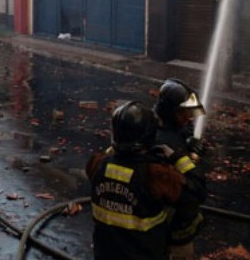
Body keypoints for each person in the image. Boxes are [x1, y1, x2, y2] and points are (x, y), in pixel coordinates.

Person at [85, 101, 204, 260]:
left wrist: (118, 149)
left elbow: (111, 158)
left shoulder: (97, 164)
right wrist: (178, 158)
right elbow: (197, 193)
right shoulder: (156, 175)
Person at [153, 79, 208, 260]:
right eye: (183, 113)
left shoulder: (170, 128)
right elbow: (195, 191)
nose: (188, 117)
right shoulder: (163, 143)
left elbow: (183, 131)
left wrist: (191, 143)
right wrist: (191, 158)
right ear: (170, 113)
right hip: (173, 229)